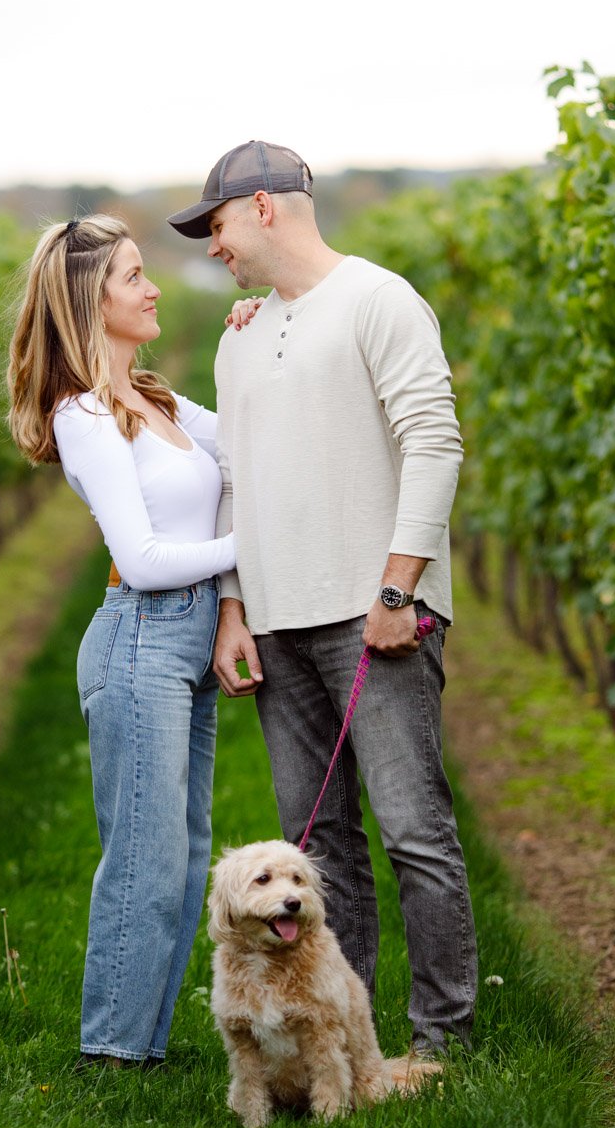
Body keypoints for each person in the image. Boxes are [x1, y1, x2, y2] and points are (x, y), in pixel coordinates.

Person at [168, 142, 478, 1059]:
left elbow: (434, 441)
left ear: (263, 208)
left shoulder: (380, 301)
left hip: (373, 615)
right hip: (275, 622)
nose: (213, 246)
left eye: (216, 225)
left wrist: (399, 588)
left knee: (414, 832)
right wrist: (233, 607)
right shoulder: (238, 335)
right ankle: (351, 1041)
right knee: (324, 852)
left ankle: (444, 1041)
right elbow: (235, 480)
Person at [6, 215, 236, 1069]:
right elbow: (140, 561)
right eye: (135, 276)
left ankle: (143, 1046)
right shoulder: (84, 417)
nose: (154, 288)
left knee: (181, 861)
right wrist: (257, 551)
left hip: (186, 639)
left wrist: (256, 342)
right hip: (142, 639)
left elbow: (248, 440)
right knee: (144, 861)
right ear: (88, 299)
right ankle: (112, 1054)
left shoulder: (158, 400)